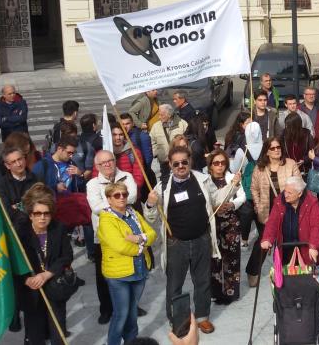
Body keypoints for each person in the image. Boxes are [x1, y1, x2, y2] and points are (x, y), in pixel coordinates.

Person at [144, 145, 237, 334]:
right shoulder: (162, 186)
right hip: (176, 243)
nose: (180, 166)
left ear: (190, 162)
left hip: (202, 239)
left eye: (184, 162)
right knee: (174, 285)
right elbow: (151, 218)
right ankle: (177, 320)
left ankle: (202, 317)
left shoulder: (202, 179)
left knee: (202, 281)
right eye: (176, 163)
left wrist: (232, 185)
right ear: (170, 164)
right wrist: (150, 204)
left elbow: (216, 198)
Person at [260, 175, 319, 331]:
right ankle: (287, 314)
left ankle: (318, 315)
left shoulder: (311, 201)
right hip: (286, 250)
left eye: (290, 193)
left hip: (307, 251)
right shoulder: (280, 201)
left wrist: (313, 246)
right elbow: (272, 222)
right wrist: (267, 239)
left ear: (299, 193)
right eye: (285, 191)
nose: (286, 194)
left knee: (313, 286)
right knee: (286, 285)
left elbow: (316, 226)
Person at [98, 182, 157, 345]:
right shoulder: (106, 220)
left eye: (124, 194)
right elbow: (120, 246)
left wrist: (138, 239)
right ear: (109, 199)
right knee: (121, 314)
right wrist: (142, 246)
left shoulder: (134, 213)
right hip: (119, 275)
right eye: (117, 195)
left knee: (132, 313)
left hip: (139, 271)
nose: (122, 198)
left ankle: (131, 342)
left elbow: (152, 234)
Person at [15, 184, 73, 344]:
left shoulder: (58, 228)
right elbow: (13, 262)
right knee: (35, 336)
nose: (42, 217)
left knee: (58, 334)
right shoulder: (20, 232)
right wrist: (26, 279)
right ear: (30, 214)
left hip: (54, 287)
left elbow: (67, 256)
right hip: (32, 291)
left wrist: (48, 273)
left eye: (46, 213)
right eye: (38, 213)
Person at [87, 150, 139, 325]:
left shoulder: (126, 176)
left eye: (110, 160)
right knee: (104, 277)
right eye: (103, 163)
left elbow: (132, 196)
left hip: (128, 235)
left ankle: (132, 306)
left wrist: (111, 202)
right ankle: (106, 309)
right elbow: (96, 207)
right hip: (104, 238)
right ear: (97, 167)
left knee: (130, 273)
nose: (108, 164)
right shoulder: (92, 184)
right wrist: (120, 201)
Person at [247, 137, 299, 287]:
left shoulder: (290, 164)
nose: (277, 150)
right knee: (263, 243)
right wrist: (257, 206)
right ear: (267, 152)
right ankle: (253, 271)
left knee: (287, 242)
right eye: (273, 148)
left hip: (288, 210)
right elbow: (254, 189)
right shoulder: (260, 168)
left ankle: (286, 271)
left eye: (278, 147)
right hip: (266, 212)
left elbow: (298, 184)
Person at [205, 150, 245, 305]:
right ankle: (215, 292)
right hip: (213, 223)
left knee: (232, 258)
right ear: (210, 166)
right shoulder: (205, 180)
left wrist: (232, 204)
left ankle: (231, 292)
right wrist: (215, 206)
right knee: (214, 258)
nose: (220, 166)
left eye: (223, 163)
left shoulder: (231, 177)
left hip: (230, 222)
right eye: (216, 163)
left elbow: (242, 195)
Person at [0, 147, 44, 223]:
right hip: (12, 228)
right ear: (7, 166)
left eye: (20, 159)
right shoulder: (1, 184)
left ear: (24, 159)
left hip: (33, 225)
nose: (19, 164)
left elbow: (41, 204)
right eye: (13, 162)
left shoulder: (36, 179)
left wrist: (17, 207)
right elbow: (6, 211)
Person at [231, 122, 262, 250]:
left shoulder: (241, 151)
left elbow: (234, 170)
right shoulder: (266, 147)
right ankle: (265, 237)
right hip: (263, 188)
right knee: (263, 213)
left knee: (245, 216)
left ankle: (244, 241)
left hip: (247, 189)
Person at [150, 104, 189, 180]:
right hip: (164, 162)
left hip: (180, 162)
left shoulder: (182, 124)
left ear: (169, 115)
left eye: (161, 115)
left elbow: (188, 141)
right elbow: (152, 141)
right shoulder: (156, 126)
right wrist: (157, 153)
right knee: (165, 181)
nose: (159, 117)